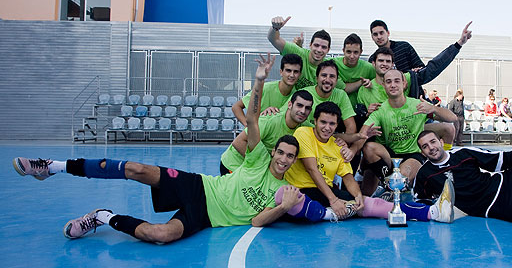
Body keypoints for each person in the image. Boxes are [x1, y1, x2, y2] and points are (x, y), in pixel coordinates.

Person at [12, 54, 305, 243]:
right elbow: (251, 118)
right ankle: (52, 166)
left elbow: (256, 220)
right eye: (281, 152)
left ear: (293, 161)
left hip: (207, 217)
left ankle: (101, 216)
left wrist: (284, 207)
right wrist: (259, 80)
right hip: (200, 187)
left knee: (160, 235)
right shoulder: (257, 159)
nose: (283, 159)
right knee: (136, 169)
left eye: (290, 156)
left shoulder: (283, 191)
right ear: (273, 151)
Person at [283, 101, 456, 223]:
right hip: (303, 190)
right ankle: (330, 212)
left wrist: (358, 196)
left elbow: (348, 177)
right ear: (315, 121)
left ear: (337, 126)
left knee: (367, 204)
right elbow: (312, 170)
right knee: (286, 200)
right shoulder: (303, 133)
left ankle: (432, 212)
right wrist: (334, 199)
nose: (327, 127)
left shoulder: (337, 146)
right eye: (323, 122)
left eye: (332, 124)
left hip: (324, 194)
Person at [357, 69, 457, 195]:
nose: (393, 85)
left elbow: (452, 118)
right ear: (383, 86)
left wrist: (433, 108)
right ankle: (386, 184)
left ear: (404, 84)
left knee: (400, 181)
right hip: (389, 156)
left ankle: (443, 167)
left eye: (397, 81)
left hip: (412, 155)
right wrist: (351, 151)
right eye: (388, 82)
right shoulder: (380, 110)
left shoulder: (417, 105)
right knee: (369, 147)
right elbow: (362, 134)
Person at [220, 89, 314, 175]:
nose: (303, 111)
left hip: (257, 168)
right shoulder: (270, 120)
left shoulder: (306, 127)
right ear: (290, 105)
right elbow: (238, 142)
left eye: (307, 108)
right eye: (299, 105)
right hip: (234, 164)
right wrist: (265, 166)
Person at [268, 15, 345, 90]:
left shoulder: (329, 68)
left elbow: (344, 88)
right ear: (310, 45)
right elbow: (274, 39)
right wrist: (275, 28)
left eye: (323, 47)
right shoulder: (298, 52)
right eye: (316, 45)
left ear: (328, 50)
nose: (319, 50)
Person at [368, 20, 473, 73]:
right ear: (372, 37)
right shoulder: (371, 60)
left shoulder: (404, 47)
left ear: (388, 33)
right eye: (375, 34)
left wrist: (459, 43)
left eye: (382, 33)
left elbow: (426, 70)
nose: (379, 37)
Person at [231, 53, 303, 126]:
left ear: (300, 75)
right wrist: (249, 127)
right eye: (288, 70)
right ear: (281, 72)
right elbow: (236, 107)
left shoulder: (299, 95)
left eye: (296, 72)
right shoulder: (265, 88)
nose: (292, 75)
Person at [331, 33, 376, 108]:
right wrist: (361, 82)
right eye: (348, 52)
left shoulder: (369, 68)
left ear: (361, 52)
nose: (352, 56)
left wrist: (371, 84)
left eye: (355, 52)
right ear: (343, 50)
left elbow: (381, 81)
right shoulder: (333, 64)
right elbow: (344, 89)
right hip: (335, 108)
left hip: (359, 111)